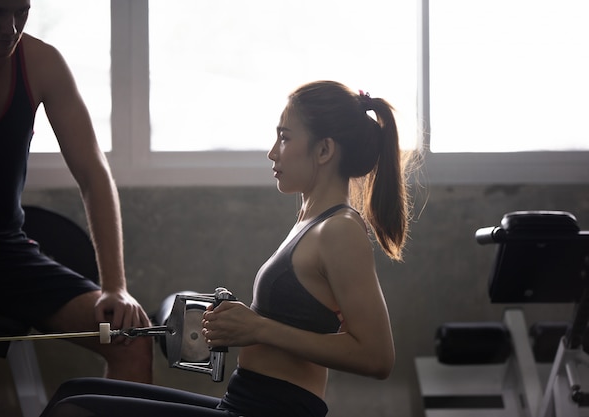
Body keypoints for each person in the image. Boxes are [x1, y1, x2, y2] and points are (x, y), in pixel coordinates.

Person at [39, 80, 418, 417]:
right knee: (74, 391)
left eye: (285, 138)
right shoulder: (310, 222)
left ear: (324, 151)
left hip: (272, 409)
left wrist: (259, 328)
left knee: (75, 409)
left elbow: (377, 357)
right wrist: (230, 324)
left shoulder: (339, 230)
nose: (273, 152)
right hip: (242, 399)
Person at [0, 0, 152, 383]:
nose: (9, 27)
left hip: (5, 252)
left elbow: (94, 175)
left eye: (20, 11)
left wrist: (115, 287)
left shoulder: (40, 63)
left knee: (129, 338)